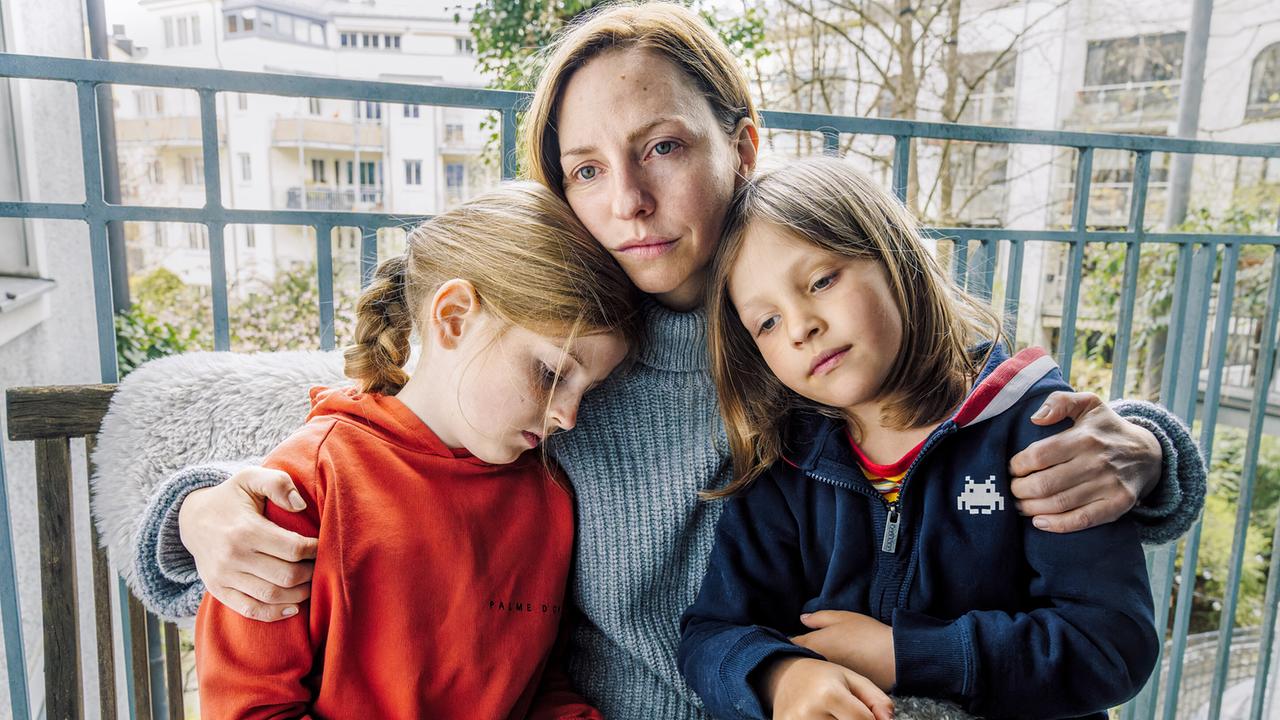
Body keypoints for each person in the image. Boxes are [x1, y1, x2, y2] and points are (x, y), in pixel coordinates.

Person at [125, 4, 1204, 718]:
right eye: (584, 169)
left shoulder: (817, 341)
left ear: (741, 143)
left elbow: (969, 396)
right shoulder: (551, 351)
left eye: (663, 148)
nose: (627, 203)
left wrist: (1149, 454)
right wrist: (193, 514)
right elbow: (383, 431)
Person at [679, 157, 1158, 720]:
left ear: (898, 260)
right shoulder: (786, 462)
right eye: (767, 322)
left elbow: (1111, 645)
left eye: (821, 281)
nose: (801, 325)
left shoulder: (1040, 433)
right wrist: (780, 676)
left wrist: (908, 655)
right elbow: (711, 633)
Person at [193, 182, 638, 719]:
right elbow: (249, 708)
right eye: (550, 373)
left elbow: (539, 685)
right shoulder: (305, 485)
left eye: (586, 392)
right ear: (453, 317)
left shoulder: (550, 498)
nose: (568, 417)